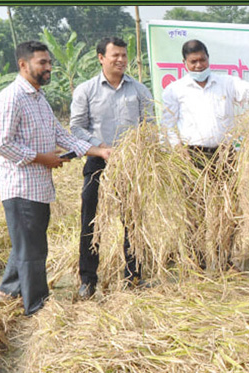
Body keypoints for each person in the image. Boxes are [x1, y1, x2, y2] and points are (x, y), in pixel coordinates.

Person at [0, 41, 110, 316]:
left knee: (27, 243)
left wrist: (99, 151)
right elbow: (0, 143)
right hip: (21, 187)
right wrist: (44, 158)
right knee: (33, 251)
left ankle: (7, 294)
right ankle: (38, 308)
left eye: (49, 62)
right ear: (23, 65)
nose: (49, 67)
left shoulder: (38, 98)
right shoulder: (12, 97)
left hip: (39, 187)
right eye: (42, 62)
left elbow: (63, 137)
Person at [161, 39, 249, 270]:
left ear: (208, 58)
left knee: (228, 210)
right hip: (191, 156)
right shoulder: (175, 90)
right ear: (184, 63)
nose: (199, 65)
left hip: (224, 155)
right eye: (193, 62)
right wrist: (178, 150)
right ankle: (196, 263)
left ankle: (224, 260)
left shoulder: (226, 83)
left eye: (202, 59)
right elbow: (168, 125)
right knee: (195, 211)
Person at [71, 36, 154, 299]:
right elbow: (76, 128)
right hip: (98, 161)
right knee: (91, 221)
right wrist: (101, 147)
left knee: (134, 221)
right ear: (101, 58)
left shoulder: (139, 90)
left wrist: (136, 149)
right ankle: (88, 279)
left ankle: (134, 275)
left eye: (124, 55)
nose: (120, 60)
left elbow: (149, 126)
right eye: (115, 55)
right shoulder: (86, 90)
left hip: (133, 164)